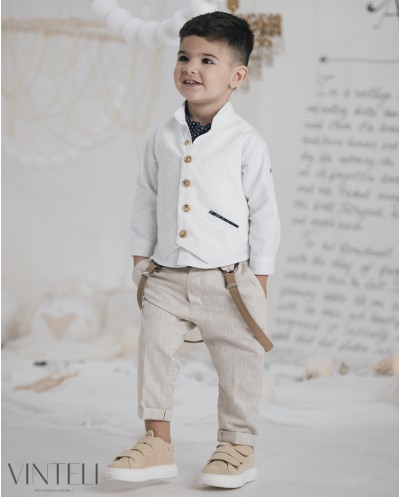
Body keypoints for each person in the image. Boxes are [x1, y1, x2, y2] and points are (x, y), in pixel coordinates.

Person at [105, 10, 280, 489]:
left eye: (207, 60)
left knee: (239, 360)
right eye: (184, 57)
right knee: (154, 354)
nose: (191, 68)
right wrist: (140, 263)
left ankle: (236, 445)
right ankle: (156, 441)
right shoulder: (162, 134)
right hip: (165, 274)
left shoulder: (246, 142)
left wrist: (259, 278)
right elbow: (145, 197)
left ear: (237, 76)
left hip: (228, 279)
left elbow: (265, 213)